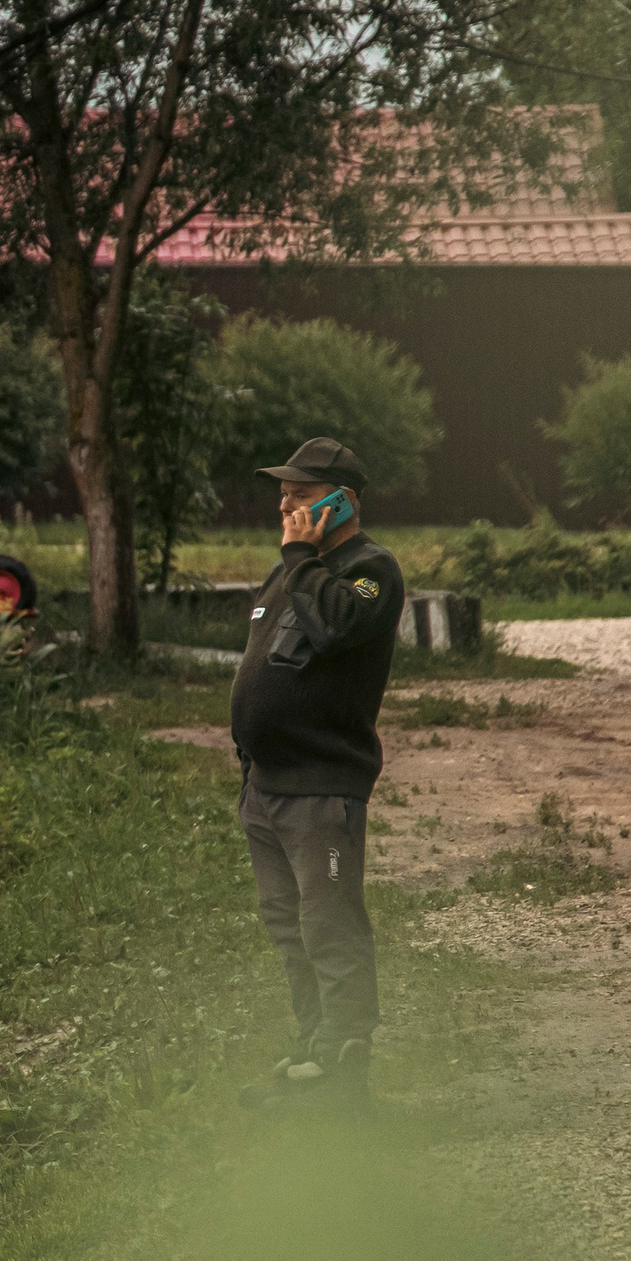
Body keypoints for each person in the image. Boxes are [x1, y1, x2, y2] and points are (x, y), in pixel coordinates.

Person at [232, 437, 406, 1106]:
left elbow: (334, 625)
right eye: (284, 492)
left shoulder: (371, 569)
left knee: (330, 924)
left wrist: (302, 558)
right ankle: (313, 1050)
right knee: (287, 923)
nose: (285, 503)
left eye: (301, 493)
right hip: (266, 788)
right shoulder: (288, 572)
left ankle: (345, 1069)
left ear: (342, 501)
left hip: (319, 788)